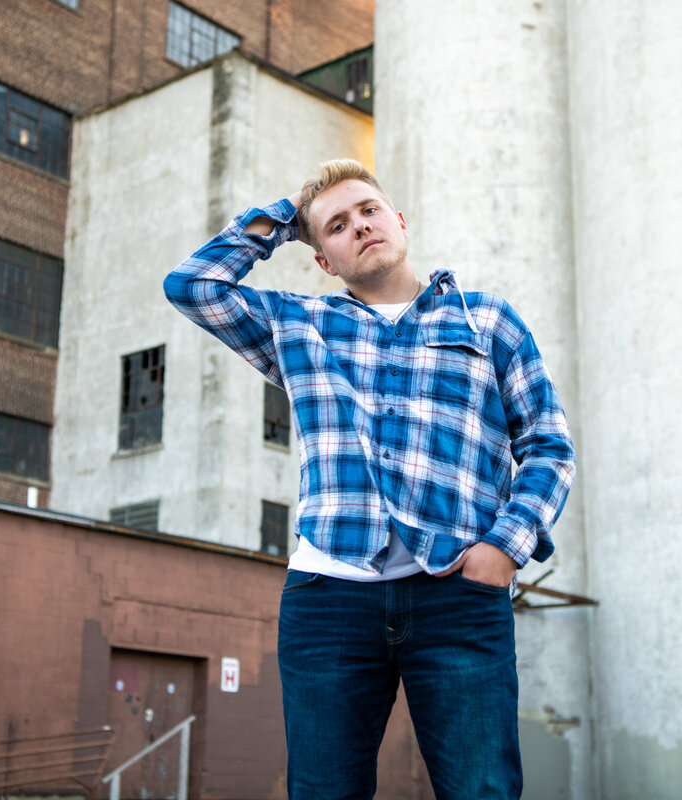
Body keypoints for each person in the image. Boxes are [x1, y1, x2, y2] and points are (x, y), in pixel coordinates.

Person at [164, 159, 575, 800]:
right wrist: (282, 220)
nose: (359, 226)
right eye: (335, 226)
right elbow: (192, 286)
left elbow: (549, 445)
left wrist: (506, 548)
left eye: (369, 211)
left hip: (458, 594)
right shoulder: (298, 324)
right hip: (329, 599)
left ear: (399, 221)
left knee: (482, 790)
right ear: (322, 257)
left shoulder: (486, 322)